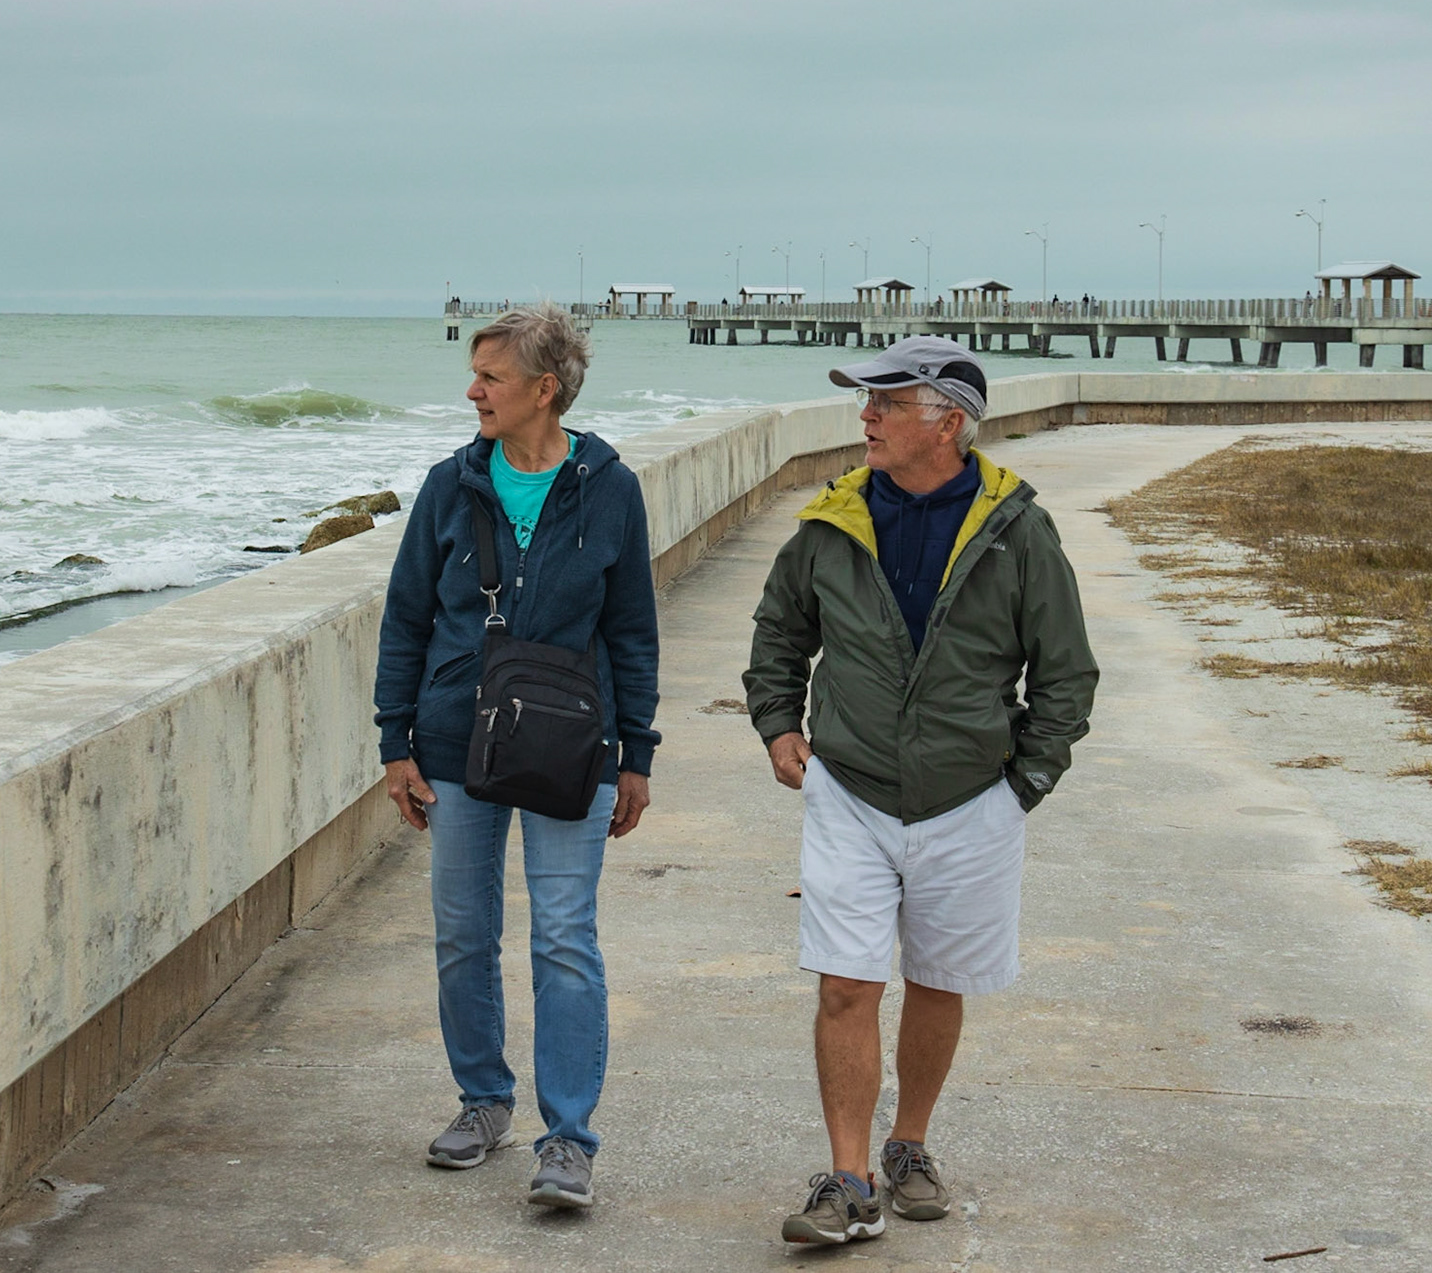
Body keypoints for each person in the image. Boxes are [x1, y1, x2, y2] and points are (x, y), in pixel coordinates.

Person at [743, 339, 1097, 1246]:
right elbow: (780, 631)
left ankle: (908, 1143)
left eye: (887, 402)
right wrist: (779, 723)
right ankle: (849, 1179)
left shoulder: (1019, 531)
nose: (865, 416)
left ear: (947, 423)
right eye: (867, 402)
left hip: (972, 801)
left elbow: (1066, 673)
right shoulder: (830, 521)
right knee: (845, 985)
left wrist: (1022, 785)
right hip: (850, 792)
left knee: (939, 982)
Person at [374, 302, 661, 1210]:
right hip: (453, 740)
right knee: (463, 931)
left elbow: (633, 630)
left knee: (565, 936)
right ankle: (483, 1100)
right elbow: (406, 618)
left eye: (490, 377)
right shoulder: (448, 485)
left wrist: (638, 753)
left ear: (544, 389)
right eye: (474, 374)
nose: (473, 391)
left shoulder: (610, 489)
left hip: (573, 747)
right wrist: (394, 741)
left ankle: (568, 1138)